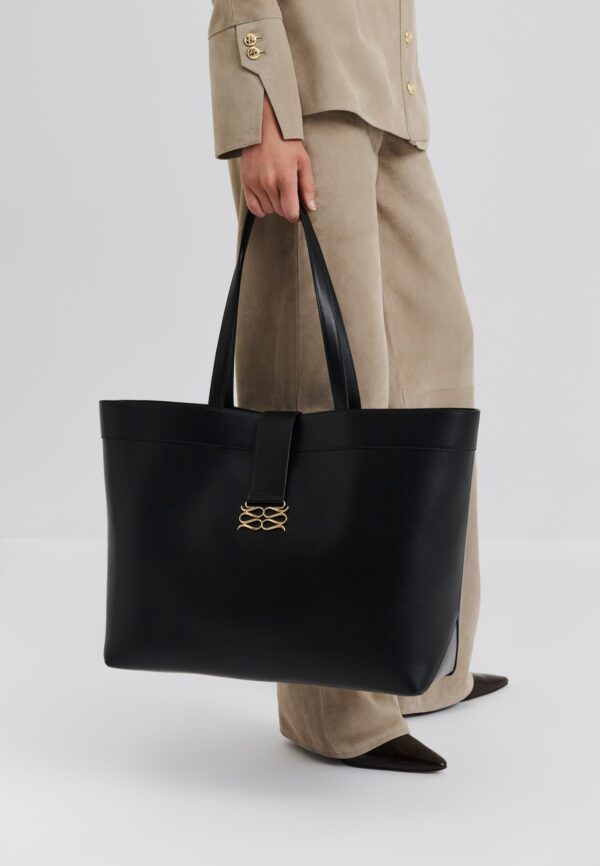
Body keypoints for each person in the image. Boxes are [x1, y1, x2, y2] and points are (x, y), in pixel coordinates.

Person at [208, 0, 507, 773]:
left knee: (436, 362)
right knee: (320, 379)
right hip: (304, 92)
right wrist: (263, 107)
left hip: (387, 88)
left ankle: (421, 664)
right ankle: (333, 711)